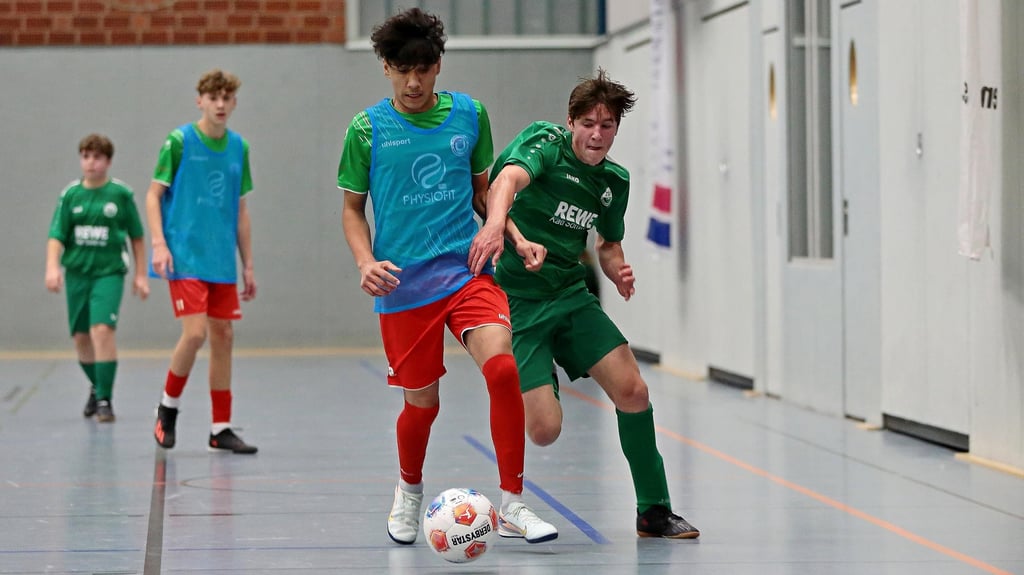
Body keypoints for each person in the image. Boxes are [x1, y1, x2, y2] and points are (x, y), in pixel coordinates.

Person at [337, 7, 557, 545]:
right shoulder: (366, 130)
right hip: (403, 286)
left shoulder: (470, 115)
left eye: (423, 68)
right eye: (402, 69)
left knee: (503, 369)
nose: (413, 82)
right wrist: (365, 262)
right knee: (422, 405)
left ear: (438, 65)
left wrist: (513, 235)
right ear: (385, 67)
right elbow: (352, 211)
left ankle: (512, 503)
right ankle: (409, 491)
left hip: (466, 271)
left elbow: (484, 194)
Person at [470, 69, 701, 539]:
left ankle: (653, 511)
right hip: (519, 302)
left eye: (607, 125)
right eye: (589, 123)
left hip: (571, 296)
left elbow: (607, 244)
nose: (597, 134)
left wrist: (617, 269)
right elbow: (506, 180)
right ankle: (544, 376)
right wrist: (496, 225)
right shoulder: (545, 144)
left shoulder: (614, 180)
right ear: (571, 121)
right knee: (544, 431)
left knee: (634, 391)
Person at [147, 68, 258, 454]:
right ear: (200, 101)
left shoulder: (239, 147)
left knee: (223, 336)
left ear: (234, 103)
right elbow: (152, 195)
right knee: (194, 334)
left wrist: (247, 264)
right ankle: (167, 409)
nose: (220, 104)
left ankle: (220, 428)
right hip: (184, 255)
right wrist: (159, 244)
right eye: (214, 98)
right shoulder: (179, 141)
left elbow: (241, 211)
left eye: (227, 98)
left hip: (220, 259)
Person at [45, 134, 149, 423]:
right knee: (81, 337)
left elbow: (137, 237)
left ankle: (104, 399)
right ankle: (96, 385)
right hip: (77, 273)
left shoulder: (120, 194)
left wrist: (141, 275)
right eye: (86, 157)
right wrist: (52, 267)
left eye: (97, 157)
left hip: (108, 273)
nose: (91, 163)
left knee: (102, 330)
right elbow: (56, 235)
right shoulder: (70, 195)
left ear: (108, 161)